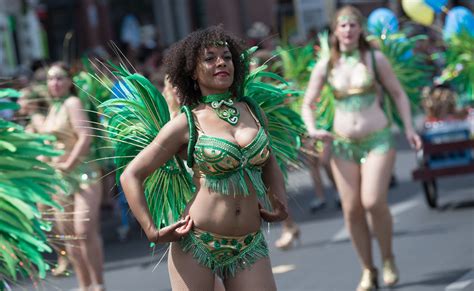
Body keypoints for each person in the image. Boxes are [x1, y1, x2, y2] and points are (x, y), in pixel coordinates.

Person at [119, 25, 288, 290]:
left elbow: (270, 162)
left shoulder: (252, 111)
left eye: (227, 56)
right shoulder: (186, 123)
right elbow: (131, 174)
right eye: (210, 58)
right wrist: (151, 230)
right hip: (197, 243)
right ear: (192, 72)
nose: (221, 62)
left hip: (249, 243)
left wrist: (280, 202)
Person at [301, 6, 422, 291]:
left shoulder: (375, 58)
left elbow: (397, 93)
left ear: (360, 29)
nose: (348, 30)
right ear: (335, 31)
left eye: (353, 24)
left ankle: (388, 257)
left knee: (372, 201)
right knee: (352, 209)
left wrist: (408, 127)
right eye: (343, 25)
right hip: (343, 144)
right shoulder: (326, 65)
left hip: (378, 138)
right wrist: (312, 128)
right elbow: (308, 103)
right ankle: (368, 269)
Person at [41, 62, 105, 291]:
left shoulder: (72, 102)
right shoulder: (53, 108)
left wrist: (69, 162)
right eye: (50, 79)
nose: (55, 83)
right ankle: (84, 285)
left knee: (83, 230)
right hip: (59, 179)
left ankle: (98, 284)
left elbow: (85, 136)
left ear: (69, 82)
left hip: (84, 174)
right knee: (69, 236)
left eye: (59, 78)